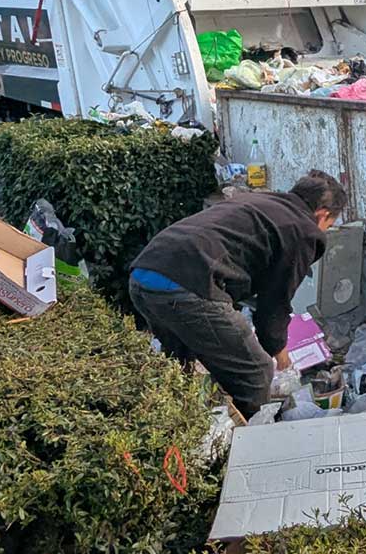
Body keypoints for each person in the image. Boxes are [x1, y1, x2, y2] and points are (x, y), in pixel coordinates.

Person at [128, 170, 346, 418]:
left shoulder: (260, 201)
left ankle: (189, 427)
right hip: (186, 288)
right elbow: (274, 304)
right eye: (329, 225)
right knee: (255, 371)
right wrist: (281, 358)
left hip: (143, 275)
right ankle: (250, 443)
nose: (325, 231)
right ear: (322, 215)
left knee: (184, 362)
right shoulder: (304, 230)